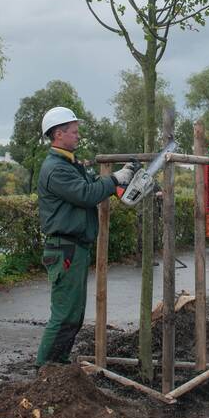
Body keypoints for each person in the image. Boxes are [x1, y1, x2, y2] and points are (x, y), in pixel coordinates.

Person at [36, 106, 135, 366]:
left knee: (74, 314)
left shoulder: (69, 164)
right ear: (58, 134)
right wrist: (115, 179)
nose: (78, 136)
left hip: (73, 248)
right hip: (65, 249)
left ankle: (57, 366)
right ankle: (45, 368)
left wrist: (122, 181)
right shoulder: (56, 168)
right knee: (65, 314)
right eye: (74, 132)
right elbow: (86, 194)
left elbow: (92, 185)